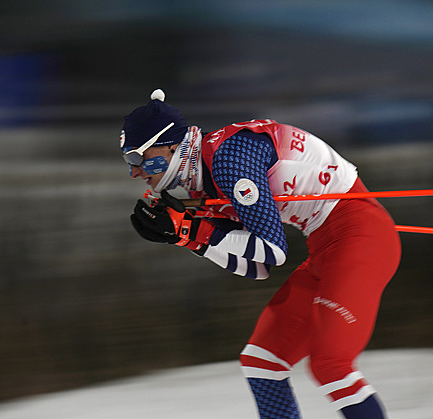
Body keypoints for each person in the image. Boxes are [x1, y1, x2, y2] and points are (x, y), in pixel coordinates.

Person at [122, 89, 401, 419]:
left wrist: (194, 231)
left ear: (170, 145)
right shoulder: (203, 182)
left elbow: (272, 251)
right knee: (262, 361)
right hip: (325, 244)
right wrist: (189, 239)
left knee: (330, 363)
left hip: (360, 234)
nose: (134, 172)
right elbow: (255, 268)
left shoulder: (227, 159)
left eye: (138, 158)